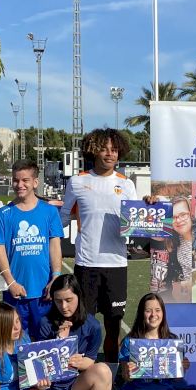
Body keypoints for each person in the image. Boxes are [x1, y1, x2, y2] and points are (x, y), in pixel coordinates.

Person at [59, 128, 138, 362]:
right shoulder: (77, 181)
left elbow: (137, 221)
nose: (110, 154)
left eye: (114, 150)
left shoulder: (127, 184)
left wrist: (151, 207)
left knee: (113, 327)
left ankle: (111, 372)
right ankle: (79, 374)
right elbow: (63, 217)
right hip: (87, 265)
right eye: (104, 149)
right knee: (83, 325)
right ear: (94, 150)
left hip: (116, 265)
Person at [34, 274, 116, 390]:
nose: (64, 306)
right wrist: (59, 341)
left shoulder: (92, 326)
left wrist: (79, 362)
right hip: (51, 387)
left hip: (75, 385)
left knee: (103, 370)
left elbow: (90, 360)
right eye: (58, 301)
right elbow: (39, 365)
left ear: (79, 296)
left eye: (69, 300)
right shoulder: (45, 323)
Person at [0, 158, 64, 337]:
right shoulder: (4, 214)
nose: (20, 185)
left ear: (35, 182)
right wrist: (11, 282)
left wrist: (56, 277)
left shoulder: (49, 211)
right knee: (14, 341)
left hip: (44, 293)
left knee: (44, 341)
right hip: (16, 292)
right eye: (16, 180)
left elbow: (55, 246)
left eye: (25, 180)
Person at [114, 293, 196, 390]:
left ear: (163, 313)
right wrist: (129, 372)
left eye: (157, 310)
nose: (153, 315)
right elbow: (126, 377)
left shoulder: (172, 340)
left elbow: (176, 379)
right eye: (148, 311)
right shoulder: (130, 341)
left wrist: (182, 368)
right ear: (141, 314)